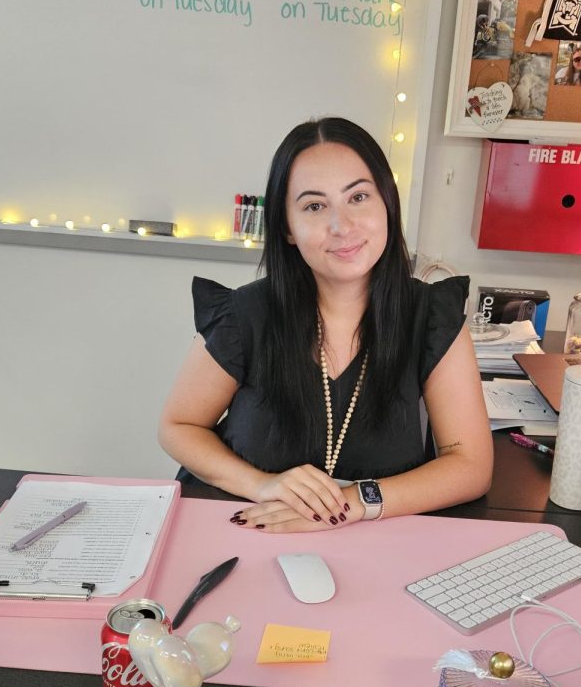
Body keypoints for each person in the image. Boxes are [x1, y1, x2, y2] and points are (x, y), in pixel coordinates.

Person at [159, 118, 493, 533]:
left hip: (372, 544)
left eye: (358, 197)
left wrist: (351, 504)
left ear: (387, 201)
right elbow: (178, 427)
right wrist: (263, 486)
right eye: (315, 206)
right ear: (287, 228)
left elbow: (471, 466)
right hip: (239, 534)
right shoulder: (244, 314)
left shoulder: (431, 317)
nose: (342, 225)